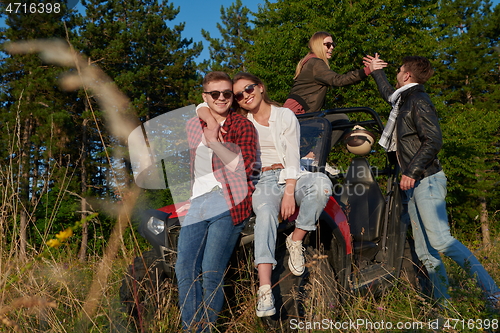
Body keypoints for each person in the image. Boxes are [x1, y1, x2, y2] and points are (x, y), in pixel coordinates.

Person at [196, 72, 333, 317]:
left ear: (260, 87)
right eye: (238, 94)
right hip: (263, 179)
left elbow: (292, 155)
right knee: (266, 214)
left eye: (248, 89)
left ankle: (296, 239)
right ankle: (265, 290)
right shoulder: (241, 120)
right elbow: (203, 104)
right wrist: (209, 117)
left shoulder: (284, 115)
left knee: (322, 184)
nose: (245, 96)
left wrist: (289, 192)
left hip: (293, 174)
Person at [368, 55, 500, 308]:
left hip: (425, 180)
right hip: (415, 184)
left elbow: (433, 139)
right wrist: (376, 72)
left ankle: (493, 293)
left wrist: (411, 172)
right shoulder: (404, 99)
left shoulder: (418, 100)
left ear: (406, 76)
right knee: (426, 253)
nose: (396, 75)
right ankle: (444, 308)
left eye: (398, 71)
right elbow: (389, 94)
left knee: (440, 240)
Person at [175, 71, 258, 332]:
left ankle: (206, 329)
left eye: (226, 94)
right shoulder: (192, 125)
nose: (221, 98)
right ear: (205, 96)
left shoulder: (242, 126)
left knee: (211, 271)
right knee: (184, 269)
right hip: (198, 202)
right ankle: (192, 328)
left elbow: (242, 168)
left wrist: (213, 141)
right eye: (214, 94)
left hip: (228, 201)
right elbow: (192, 166)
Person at [284, 31, 388, 148]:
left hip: (302, 113)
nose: (332, 47)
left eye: (333, 44)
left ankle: (315, 156)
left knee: (343, 124)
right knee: (341, 120)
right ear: (317, 45)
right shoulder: (315, 63)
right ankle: (316, 157)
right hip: (299, 113)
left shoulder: (310, 62)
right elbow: (338, 80)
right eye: (327, 44)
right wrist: (367, 70)